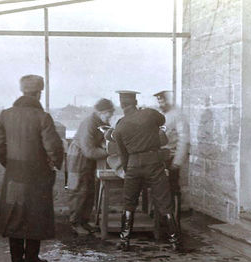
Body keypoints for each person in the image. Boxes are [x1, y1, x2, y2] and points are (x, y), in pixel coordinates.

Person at [0, 75, 63, 262]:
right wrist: (55, 163)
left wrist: (11, 164)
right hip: (37, 175)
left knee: (14, 213)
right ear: (39, 93)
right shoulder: (43, 117)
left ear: (23, 92)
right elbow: (53, 147)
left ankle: (16, 259)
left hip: (14, 174)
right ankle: (32, 258)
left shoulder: (5, 115)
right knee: (35, 215)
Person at [113, 90, 176, 251]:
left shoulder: (120, 126)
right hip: (154, 162)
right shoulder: (149, 113)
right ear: (136, 102)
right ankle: (175, 241)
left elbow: (122, 154)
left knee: (129, 202)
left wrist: (129, 171)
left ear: (122, 105)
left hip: (133, 165)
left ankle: (124, 240)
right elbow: (162, 119)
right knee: (164, 202)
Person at [67, 98, 115, 235]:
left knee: (89, 190)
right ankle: (75, 223)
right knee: (79, 189)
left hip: (88, 159)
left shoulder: (100, 122)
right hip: (79, 158)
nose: (110, 116)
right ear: (101, 112)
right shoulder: (90, 123)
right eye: (108, 113)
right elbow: (88, 150)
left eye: (111, 113)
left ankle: (84, 221)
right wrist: (109, 152)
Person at [153, 90, 189, 230]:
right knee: (160, 190)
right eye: (159, 101)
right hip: (160, 158)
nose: (161, 104)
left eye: (163, 101)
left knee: (173, 190)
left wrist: (177, 161)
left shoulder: (178, 115)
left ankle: (174, 222)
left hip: (172, 158)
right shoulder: (160, 115)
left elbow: (183, 139)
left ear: (169, 100)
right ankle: (161, 221)